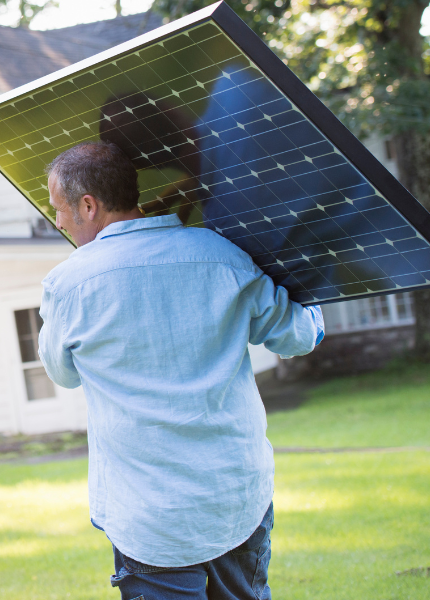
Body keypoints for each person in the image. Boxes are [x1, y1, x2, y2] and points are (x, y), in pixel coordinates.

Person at [39, 141, 325, 600]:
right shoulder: (222, 254)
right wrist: (315, 285)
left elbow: (62, 372)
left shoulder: (68, 285)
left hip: (149, 514)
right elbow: (298, 336)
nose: (57, 221)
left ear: (88, 205)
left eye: (58, 209)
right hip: (234, 496)